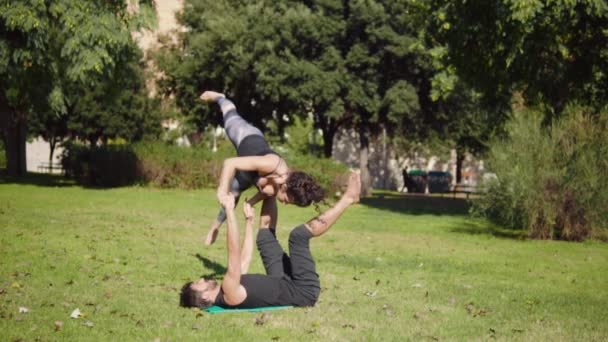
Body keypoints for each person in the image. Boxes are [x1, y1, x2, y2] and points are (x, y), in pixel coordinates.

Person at [180, 172, 361, 309]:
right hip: (303, 291)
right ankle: (348, 199)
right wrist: (229, 210)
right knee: (298, 236)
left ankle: (273, 191)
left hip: (283, 281)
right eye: (200, 283)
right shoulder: (229, 293)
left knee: (264, 236)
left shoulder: (230, 287)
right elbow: (233, 252)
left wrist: (249, 223)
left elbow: (244, 259)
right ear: (204, 298)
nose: (203, 278)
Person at [199, 91, 325, 246]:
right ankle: (220, 97)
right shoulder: (272, 164)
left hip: (248, 175)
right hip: (246, 137)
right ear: (285, 186)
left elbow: (265, 193)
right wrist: (221, 190)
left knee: (233, 198)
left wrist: (250, 203)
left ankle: (215, 227)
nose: (284, 204)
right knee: (229, 116)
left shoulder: (276, 188)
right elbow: (230, 163)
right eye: (287, 200)